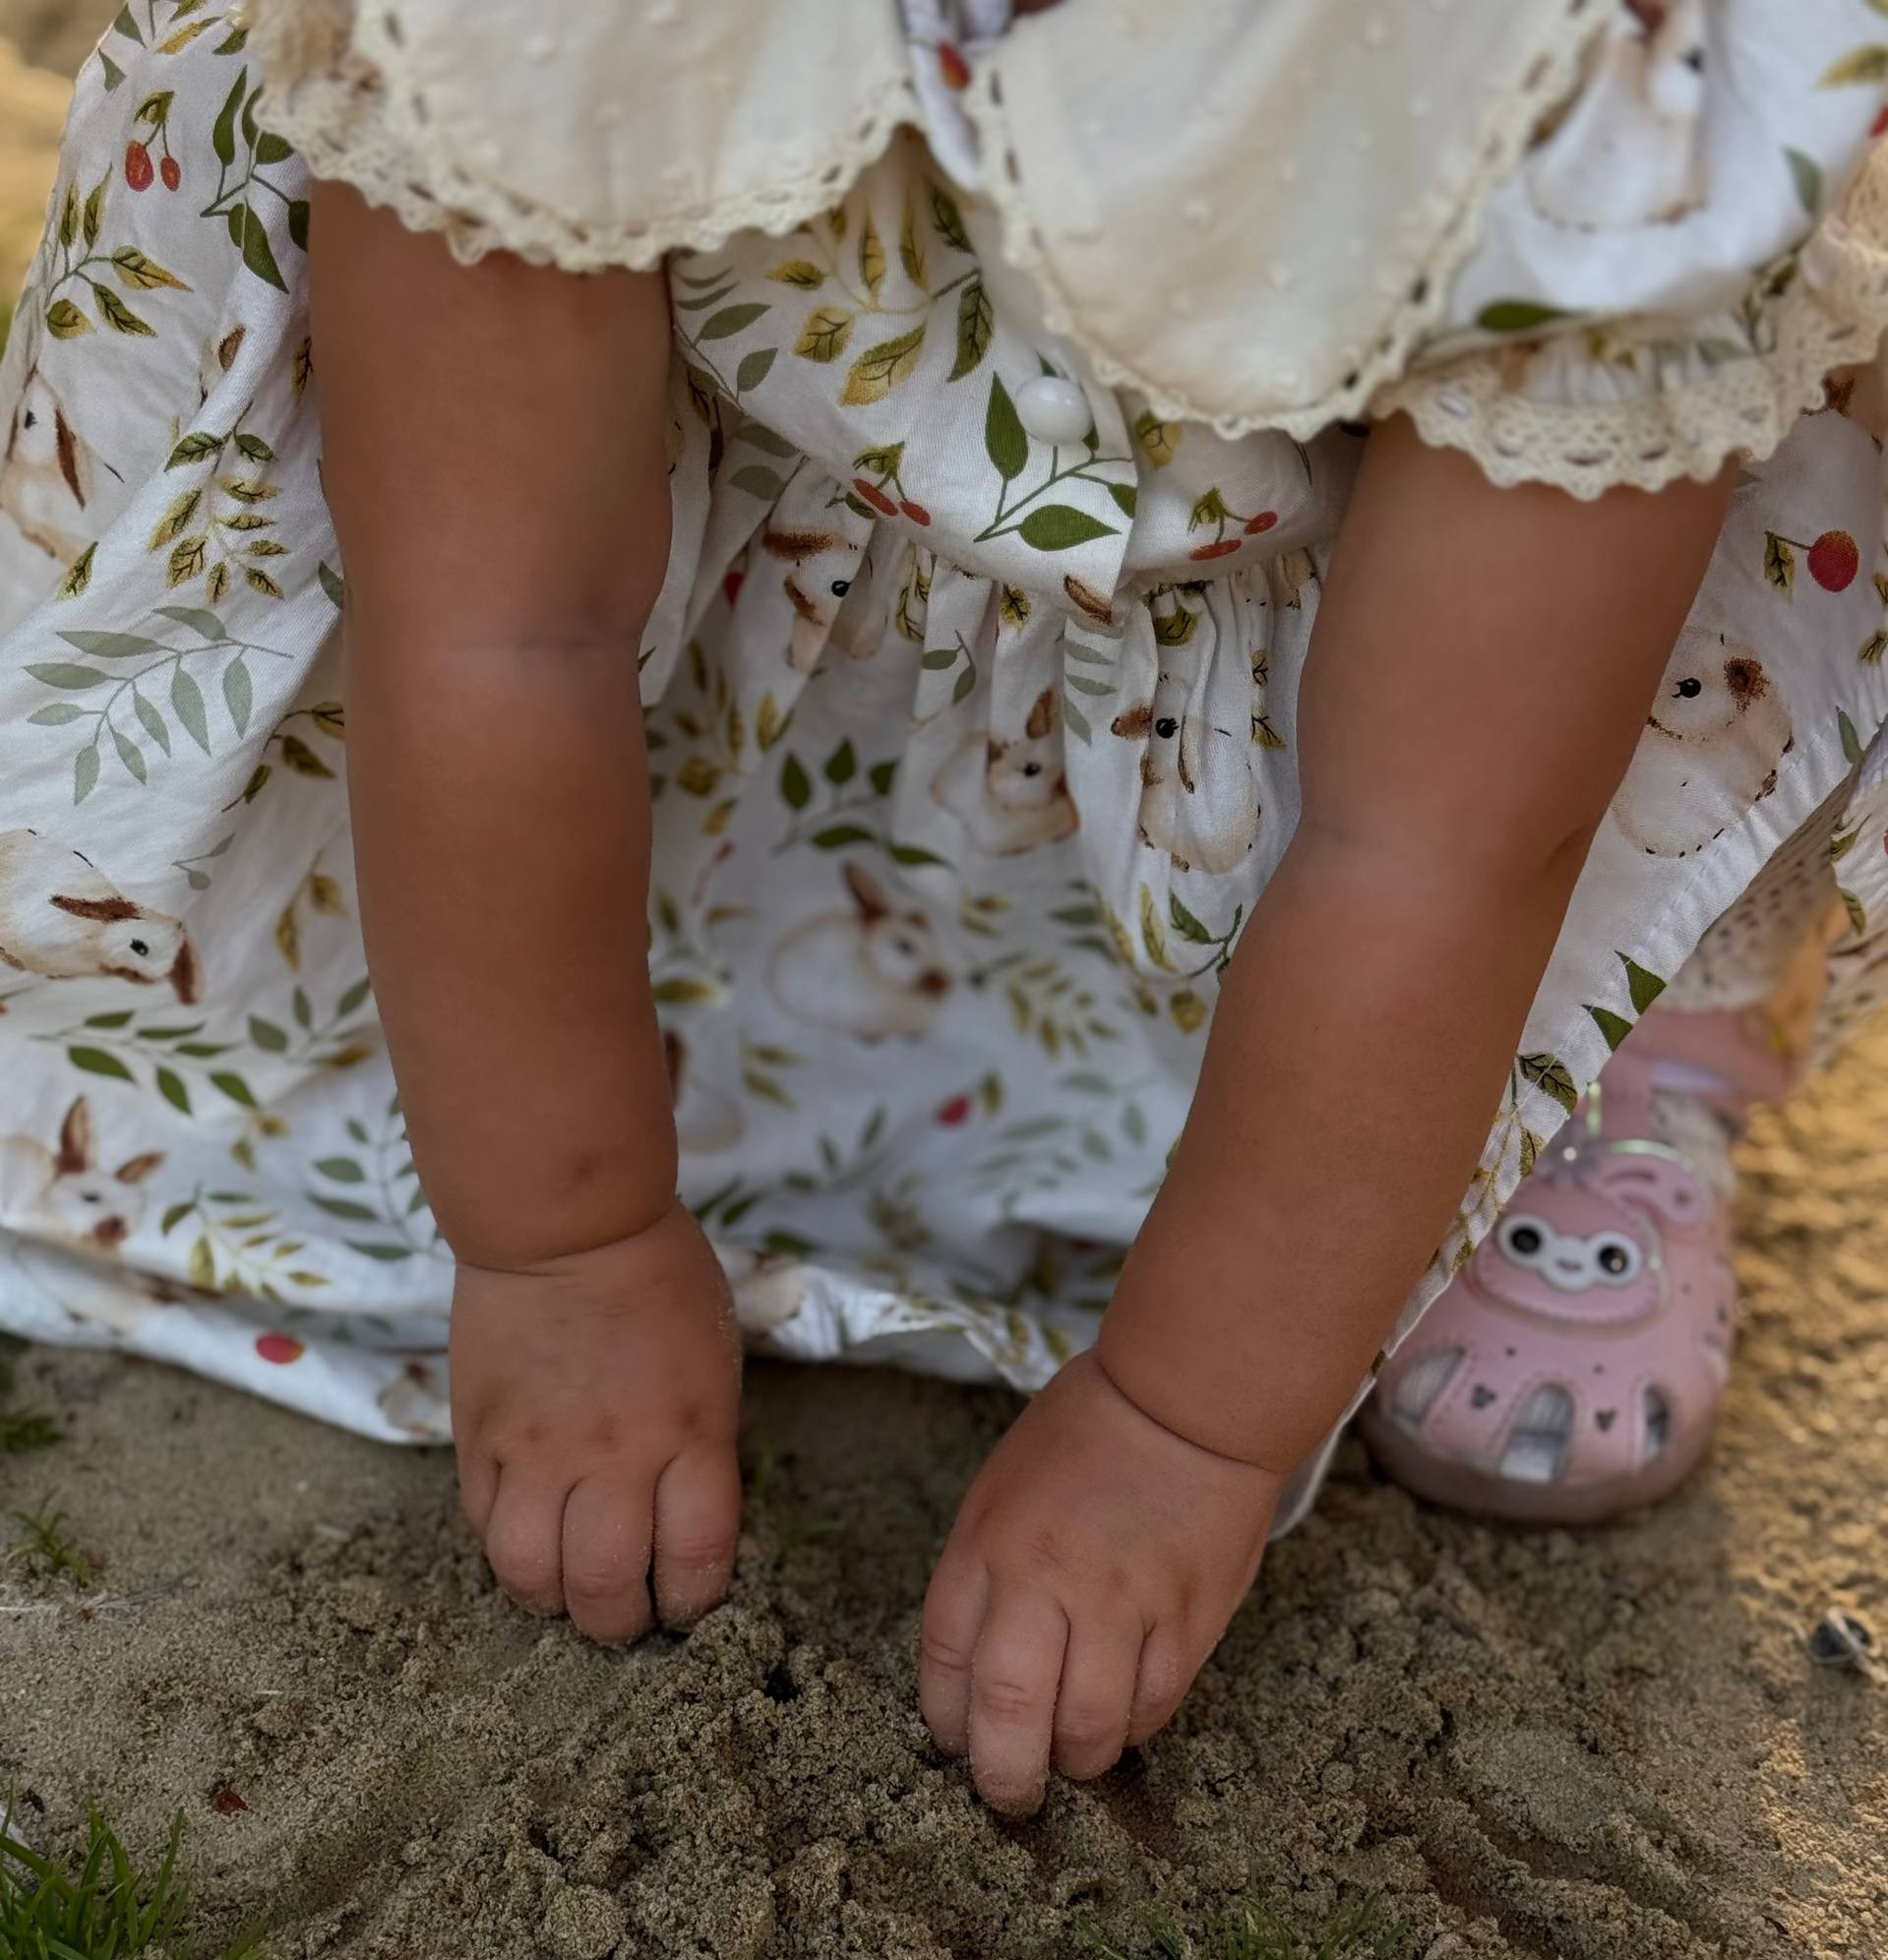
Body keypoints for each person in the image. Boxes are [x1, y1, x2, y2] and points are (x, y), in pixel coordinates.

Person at [2, 0, 1885, 1811]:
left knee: (1718, 518)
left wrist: (1182, 1432)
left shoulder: (1601, 84)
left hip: (1368, 586)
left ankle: (1653, 1008)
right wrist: (558, 1241)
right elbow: (496, 621)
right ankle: (770, 885)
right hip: (784, 452)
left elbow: (1441, 847)